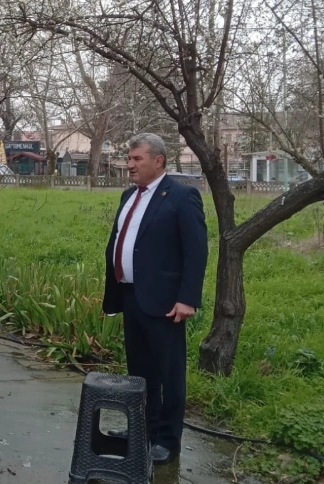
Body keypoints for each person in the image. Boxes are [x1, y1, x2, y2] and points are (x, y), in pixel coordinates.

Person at [102, 133, 208, 465]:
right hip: (131, 296)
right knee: (140, 372)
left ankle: (167, 440)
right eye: (129, 158)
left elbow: (196, 251)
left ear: (158, 161)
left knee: (169, 373)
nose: (129, 165)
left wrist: (187, 298)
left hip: (165, 302)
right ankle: (142, 430)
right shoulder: (128, 195)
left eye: (137, 159)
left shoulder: (182, 196)